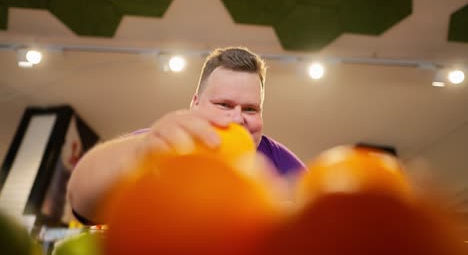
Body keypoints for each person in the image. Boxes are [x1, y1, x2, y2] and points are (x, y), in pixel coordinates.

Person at [68, 46, 306, 224]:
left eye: (250, 109)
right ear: (195, 104)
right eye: (223, 104)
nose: (237, 118)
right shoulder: (161, 145)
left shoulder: (284, 166)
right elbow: (81, 200)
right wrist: (141, 152)